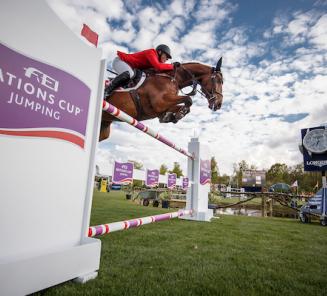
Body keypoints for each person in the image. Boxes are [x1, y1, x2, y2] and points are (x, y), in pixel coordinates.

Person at [105, 44, 180, 97]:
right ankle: (106, 91)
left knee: (134, 77)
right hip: (120, 61)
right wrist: (172, 66)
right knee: (130, 74)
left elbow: (158, 71)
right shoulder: (151, 52)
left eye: (167, 59)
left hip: (127, 66)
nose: (166, 59)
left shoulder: (154, 61)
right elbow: (158, 67)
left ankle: (114, 89)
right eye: (166, 56)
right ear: (160, 52)